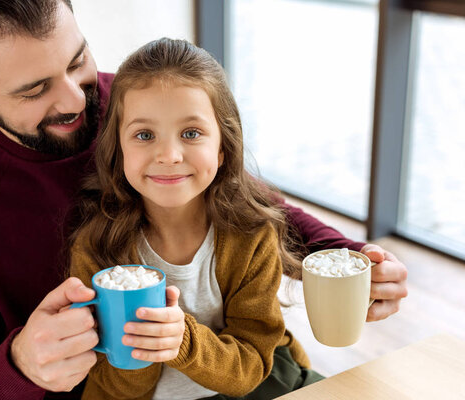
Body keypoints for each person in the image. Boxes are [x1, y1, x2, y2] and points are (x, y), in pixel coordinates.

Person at [0, 1, 408, 399]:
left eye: (78, 60)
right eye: (35, 89)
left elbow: (245, 199)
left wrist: (346, 256)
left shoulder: (134, 103)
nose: (77, 100)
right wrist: (19, 367)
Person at [70, 37, 326, 400]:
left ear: (222, 148)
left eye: (191, 133)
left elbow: (250, 368)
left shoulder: (251, 236)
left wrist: (182, 341)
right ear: (119, 149)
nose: (170, 154)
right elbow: (114, 386)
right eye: (144, 135)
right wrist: (144, 346)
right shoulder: (98, 246)